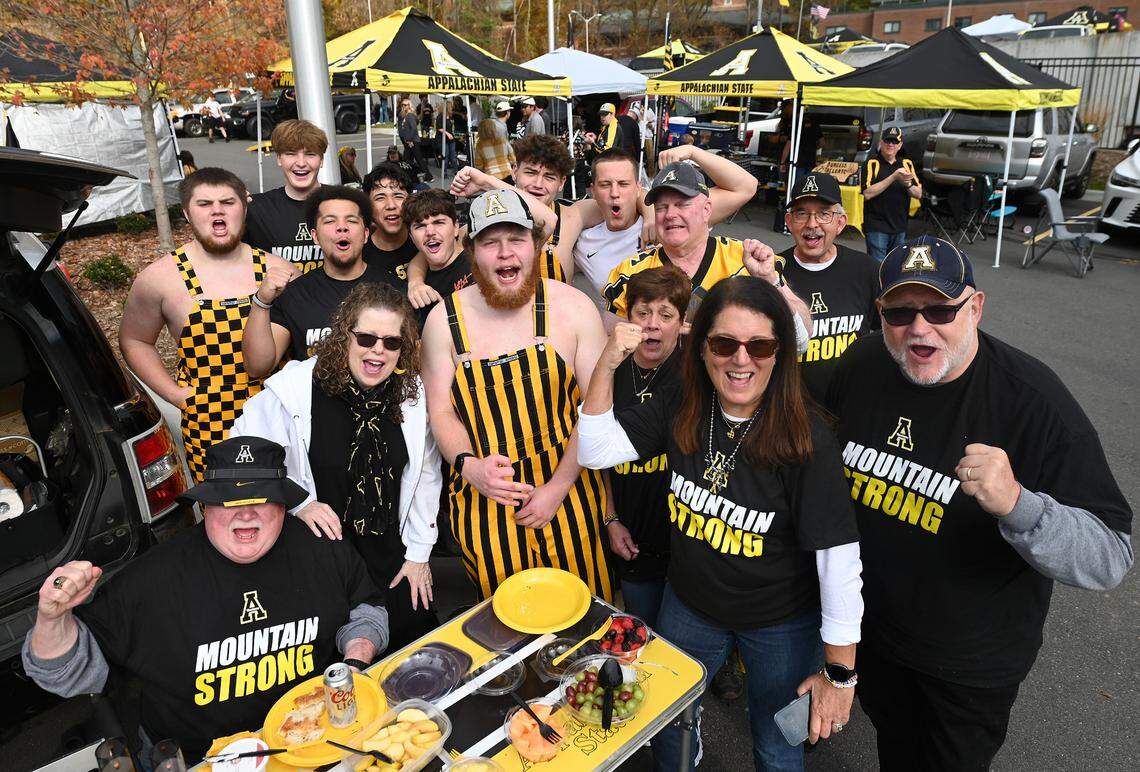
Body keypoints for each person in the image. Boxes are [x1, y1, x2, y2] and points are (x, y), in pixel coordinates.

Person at [825, 236, 1133, 772]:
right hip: (875, 638)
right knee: (896, 750)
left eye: (942, 309)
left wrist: (1018, 504)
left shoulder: (1032, 400)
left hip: (967, 667)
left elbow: (1110, 556)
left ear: (977, 306)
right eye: (900, 312)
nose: (919, 328)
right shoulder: (866, 362)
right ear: (880, 314)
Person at [579, 273, 863, 771]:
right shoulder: (684, 402)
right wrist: (607, 360)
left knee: (778, 745)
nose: (741, 359)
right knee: (667, 724)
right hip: (690, 606)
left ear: (780, 353)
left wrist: (840, 675)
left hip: (780, 622)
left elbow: (836, 557)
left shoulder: (805, 435)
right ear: (702, 347)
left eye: (760, 345)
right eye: (725, 343)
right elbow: (596, 449)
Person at [22, 435, 388, 761]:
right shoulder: (150, 581)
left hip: (316, 740)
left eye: (260, 500)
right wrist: (52, 618)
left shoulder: (320, 548)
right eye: (229, 501)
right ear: (205, 507)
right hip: (200, 759)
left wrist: (353, 664)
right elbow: (66, 676)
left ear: (282, 505)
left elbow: (367, 610)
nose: (245, 514)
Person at [421, 189, 612, 600]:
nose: (505, 254)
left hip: (571, 496)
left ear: (537, 245)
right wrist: (470, 467)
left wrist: (558, 487)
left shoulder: (574, 308)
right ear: (470, 250)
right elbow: (440, 410)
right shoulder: (443, 321)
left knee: (585, 619)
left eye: (516, 239)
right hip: (484, 508)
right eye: (491, 242)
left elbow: (595, 409)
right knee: (503, 626)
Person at [234, 284, 442, 650]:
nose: (377, 350)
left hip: (389, 555)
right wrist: (298, 502)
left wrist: (419, 556)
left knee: (416, 658)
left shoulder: (410, 393)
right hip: (322, 557)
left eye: (391, 343)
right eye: (366, 338)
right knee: (335, 663)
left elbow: (426, 474)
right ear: (345, 334)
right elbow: (242, 448)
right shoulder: (298, 388)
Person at [120, 168, 296, 481]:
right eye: (204, 204)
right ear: (187, 213)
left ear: (244, 206)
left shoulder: (279, 270)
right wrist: (174, 395)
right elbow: (135, 341)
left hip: (274, 413)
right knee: (223, 514)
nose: (217, 210)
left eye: (227, 202)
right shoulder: (160, 278)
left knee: (284, 502)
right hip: (208, 421)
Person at [602, 160, 810, 343]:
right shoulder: (629, 272)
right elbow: (611, 345)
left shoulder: (744, 260)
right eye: (662, 207)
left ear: (707, 210)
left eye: (682, 204)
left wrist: (770, 281)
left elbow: (804, 334)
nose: (670, 214)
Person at [603, 266, 689, 627]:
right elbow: (594, 456)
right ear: (627, 317)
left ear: (682, 322)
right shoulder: (608, 370)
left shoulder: (697, 372)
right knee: (642, 627)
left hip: (687, 540)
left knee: (684, 637)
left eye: (665, 314)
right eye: (643, 312)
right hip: (631, 535)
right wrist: (610, 519)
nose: (652, 324)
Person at [242, 185, 398, 378]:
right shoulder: (294, 295)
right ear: (315, 236)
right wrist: (261, 302)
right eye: (330, 221)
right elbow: (257, 367)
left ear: (365, 234)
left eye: (351, 220)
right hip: (312, 406)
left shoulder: (395, 291)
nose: (342, 227)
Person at [779, 172, 880, 402]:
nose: (812, 224)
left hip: (852, 409)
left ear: (841, 222)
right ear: (789, 222)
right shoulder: (773, 272)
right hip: (789, 414)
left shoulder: (867, 270)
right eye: (801, 213)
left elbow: (888, 334)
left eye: (824, 214)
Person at [245, 120, 327, 273]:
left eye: (310, 154)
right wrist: (231, 208)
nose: (301, 163)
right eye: (291, 154)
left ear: (321, 160)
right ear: (278, 159)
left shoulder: (344, 202)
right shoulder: (256, 208)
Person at [402, 189, 473, 328]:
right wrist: (415, 283)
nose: (430, 232)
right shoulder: (417, 291)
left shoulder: (478, 254)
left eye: (439, 222)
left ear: (456, 227)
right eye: (420, 226)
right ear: (411, 237)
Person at [862, 126, 921, 262]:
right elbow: (867, 193)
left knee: (894, 266)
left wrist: (908, 184)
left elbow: (918, 194)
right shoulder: (872, 163)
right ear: (881, 143)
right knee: (877, 266)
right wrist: (893, 177)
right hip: (876, 225)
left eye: (894, 142)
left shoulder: (907, 164)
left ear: (900, 145)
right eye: (887, 141)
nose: (890, 144)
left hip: (899, 225)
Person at [362, 162, 418, 284]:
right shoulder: (359, 255)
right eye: (380, 198)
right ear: (368, 205)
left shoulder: (425, 240)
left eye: (398, 196)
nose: (391, 205)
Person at [474, 105, 515, 182]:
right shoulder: (502, 140)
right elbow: (513, 159)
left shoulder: (480, 145)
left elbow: (479, 166)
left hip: (492, 178)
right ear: (493, 128)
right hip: (508, 174)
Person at [399, 98, 433, 183]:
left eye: (405, 105)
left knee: (417, 159)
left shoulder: (410, 115)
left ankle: (428, 176)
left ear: (409, 106)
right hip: (410, 141)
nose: (403, 106)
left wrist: (409, 140)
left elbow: (414, 128)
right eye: (402, 105)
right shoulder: (406, 115)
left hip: (413, 141)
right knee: (408, 159)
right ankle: (408, 176)